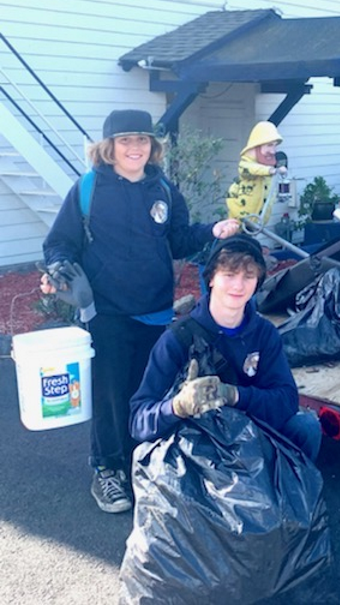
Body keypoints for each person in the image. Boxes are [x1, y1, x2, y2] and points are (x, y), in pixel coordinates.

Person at [41, 109, 241, 514]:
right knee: (111, 393)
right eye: (126, 140)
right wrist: (58, 265)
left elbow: (180, 239)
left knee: (147, 393)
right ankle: (108, 470)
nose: (135, 148)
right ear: (109, 147)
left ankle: (141, 462)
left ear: (153, 147)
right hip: (106, 312)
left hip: (154, 310)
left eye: (143, 140)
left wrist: (212, 231)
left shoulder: (163, 190)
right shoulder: (88, 188)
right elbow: (59, 243)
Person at [129, 234, 321, 462]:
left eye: (248, 276)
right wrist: (177, 406)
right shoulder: (177, 339)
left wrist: (233, 395)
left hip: (252, 439)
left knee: (306, 427)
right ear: (210, 278)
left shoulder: (264, 333)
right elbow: (138, 421)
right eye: (229, 275)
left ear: (257, 282)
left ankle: (292, 495)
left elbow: (286, 401)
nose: (238, 285)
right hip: (200, 453)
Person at [225, 121, 285, 223]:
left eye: (275, 146)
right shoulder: (245, 165)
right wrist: (270, 170)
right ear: (257, 146)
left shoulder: (268, 169)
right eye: (269, 145)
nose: (273, 151)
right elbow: (253, 169)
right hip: (241, 218)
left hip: (257, 221)